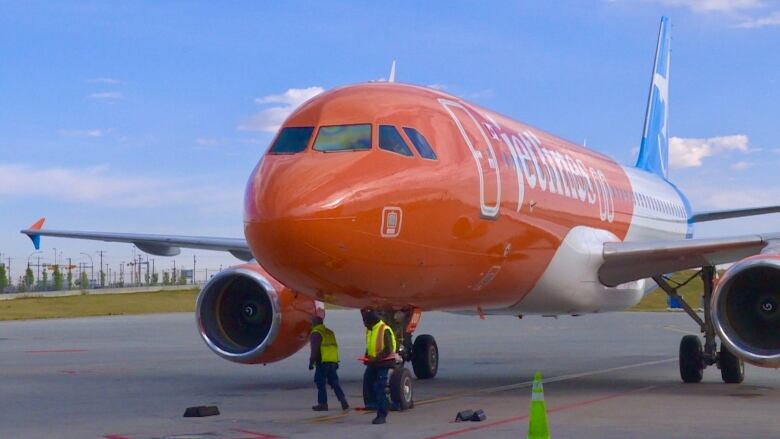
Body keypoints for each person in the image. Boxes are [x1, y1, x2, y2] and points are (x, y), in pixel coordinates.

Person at [361, 308, 398, 425]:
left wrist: (376, 358)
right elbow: (370, 345)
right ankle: (372, 404)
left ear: (371, 321)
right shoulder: (370, 329)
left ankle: (382, 415)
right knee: (367, 381)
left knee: (379, 387)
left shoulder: (384, 329)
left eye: (366, 322)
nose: (365, 325)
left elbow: (389, 349)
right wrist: (367, 356)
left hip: (384, 362)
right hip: (374, 362)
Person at [309, 314, 349, 411]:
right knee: (334, 382)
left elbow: (315, 350)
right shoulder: (329, 332)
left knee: (320, 382)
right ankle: (343, 401)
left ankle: (323, 404)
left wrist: (311, 362)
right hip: (333, 361)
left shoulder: (316, 333)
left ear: (314, 323)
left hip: (323, 362)